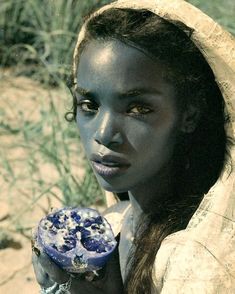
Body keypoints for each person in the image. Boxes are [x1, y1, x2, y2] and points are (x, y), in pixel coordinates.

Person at [32, 0, 235, 293]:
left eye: (138, 108)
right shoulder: (115, 223)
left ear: (189, 115)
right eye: (89, 105)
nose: (104, 134)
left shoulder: (200, 264)